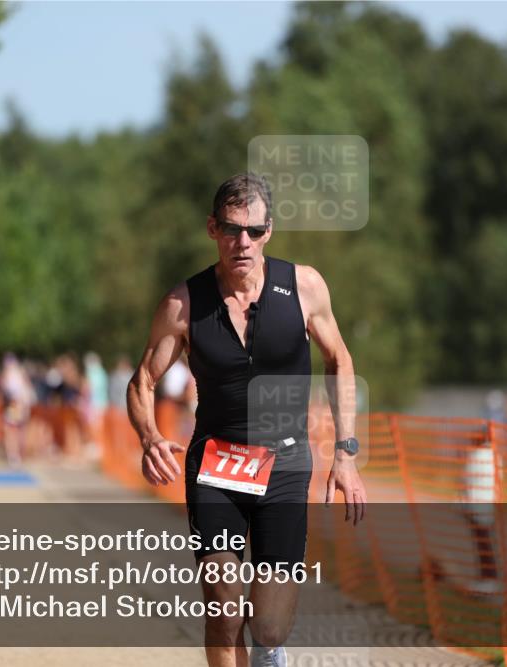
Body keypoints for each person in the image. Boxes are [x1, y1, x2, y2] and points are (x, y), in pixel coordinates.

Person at [128, 173, 367, 667]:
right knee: (223, 608)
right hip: (217, 466)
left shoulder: (304, 286)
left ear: (269, 232)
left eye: (254, 232)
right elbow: (143, 382)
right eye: (233, 230)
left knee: (269, 625)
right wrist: (150, 435)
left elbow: (340, 360)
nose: (243, 243)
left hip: (285, 465)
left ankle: (269, 652)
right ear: (212, 228)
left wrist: (345, 454)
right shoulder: (183, 303)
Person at [0, 353, 35, 466]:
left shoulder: (11, 374)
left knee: (12, 431)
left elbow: (7, 391)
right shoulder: (19, 374)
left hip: (15, 406)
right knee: (17, 431)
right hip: (18, 406)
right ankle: (16, 454)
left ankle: (14, 455)